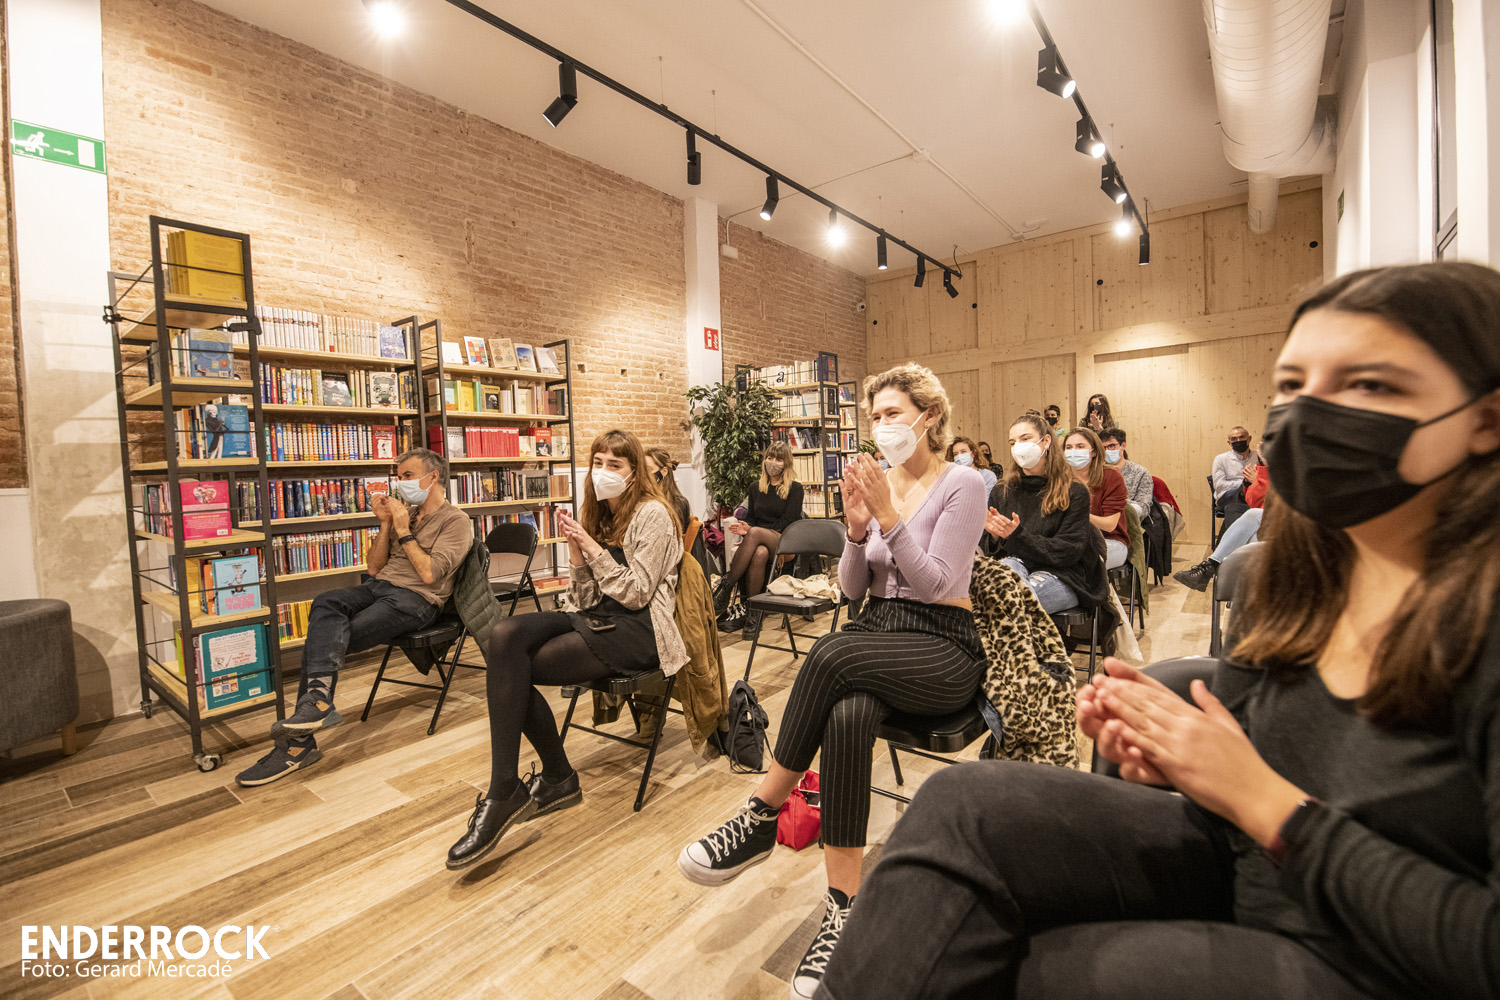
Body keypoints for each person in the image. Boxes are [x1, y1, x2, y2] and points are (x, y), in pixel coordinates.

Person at [815, 261, 1500, 1000]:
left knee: (1037, 970)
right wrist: (1179, 754)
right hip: (1253, 863)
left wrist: (1267, 805)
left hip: (1366, 950)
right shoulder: (1301, 580)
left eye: (1367, 385)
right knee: (958, 805)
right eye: (1293, 384)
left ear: (1486, 420)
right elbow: (1282, 751)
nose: (1311, 413)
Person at [678, 363, 988, 1000]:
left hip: (942, 645)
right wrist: (855, 531)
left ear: (929, 417)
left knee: (829, 650)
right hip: (876, 635)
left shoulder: (963, 482)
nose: (881, 426)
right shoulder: (879, 484)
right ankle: (843, 910)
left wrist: (888, 518)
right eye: (875, 416)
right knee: (846, 715)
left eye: (893, 413)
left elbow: (936, 584)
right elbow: (851, 590)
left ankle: (762, 811)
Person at [445, 429, 686, 869]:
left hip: (640, 630)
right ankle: (530, 783)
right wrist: (577, 558)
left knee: (513, 668)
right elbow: (585, 600)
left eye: (614, 465)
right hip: (598, 617)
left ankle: (526, 786)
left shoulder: (654, 515)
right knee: (504, 637)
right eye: (598, 463)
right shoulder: (598, 513)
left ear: (634, 473)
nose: (602, 472)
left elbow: (636, 594)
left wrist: (590, 548)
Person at [235, 448, 473, 786]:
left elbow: (430, 574)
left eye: (407, 476)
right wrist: (387, 524)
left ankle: (298, 742)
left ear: (432, 477)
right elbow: (374, 568)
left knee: (324, 640)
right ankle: (318, 704)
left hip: (416, 600)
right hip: (379, 586)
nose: (400, 483)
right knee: (326, 602)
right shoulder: (408, 515)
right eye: (398, 477)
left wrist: (404, 531)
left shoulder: (456, 521)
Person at [980, 412, 1097, 614]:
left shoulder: (1075, 492)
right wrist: (994, 536)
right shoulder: (1001, 490)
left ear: (1046, 441)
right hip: (1014, 567)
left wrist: (1017, 535)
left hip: (1063, 575)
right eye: (1013, 442)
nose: (1018, 447)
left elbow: (1067, 552)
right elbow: (990, 551)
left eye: (1025, 439)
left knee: (1003, 603)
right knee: (1005, 578)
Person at [714, 441, 803, 639]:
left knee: (754, 533)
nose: (773, 462)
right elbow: (752, 518)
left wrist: (753, 532)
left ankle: (727, 585)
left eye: (778, 459)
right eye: (770, 458)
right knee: (760, 553)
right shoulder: (756, 487)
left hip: (785, 542)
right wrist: (747, 528)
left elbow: (789, 521)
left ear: (786, 463)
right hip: (761, 543)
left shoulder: (795, 488)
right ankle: (754, 615)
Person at [1175, 463, 1271, 591]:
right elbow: (1254, 502)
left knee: (1251, 515)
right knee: (1252, 538)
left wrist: (1259, 481)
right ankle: (1236, 587)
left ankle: (1211, 567)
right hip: (1267, 523)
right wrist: (1251, 483)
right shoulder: (1262, 467)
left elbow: (1277, 503)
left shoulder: (1291, 467)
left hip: (1289, 523)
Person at [1064, 427, 1129, 569]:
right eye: (1068, 447)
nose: (1073, 451)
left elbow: (1110, 525)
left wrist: (1076, 515)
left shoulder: (1111, 476)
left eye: (1080, 446)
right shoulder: (1060, 479)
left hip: (1109, 540)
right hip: (1070, 540)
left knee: (1075, 560)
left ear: (1093, 452)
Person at [1212, 425, 1262, 532]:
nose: (1238, 441)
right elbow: (1219, 486)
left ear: (1249, 439)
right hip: (1227, 497)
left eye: (1241, 437)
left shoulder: (1259, 457)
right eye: (1234, 439)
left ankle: (1228, 539)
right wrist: (1245, 482)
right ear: (1229, 443)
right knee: (1242, 494)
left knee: (1233, 508)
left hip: (1250, 498)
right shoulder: (1221, 459)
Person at [1100, 427, 1152, 520]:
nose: (1107, 451)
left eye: (1111, 446)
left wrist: (1116, 502)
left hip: (1128, 522)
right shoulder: (1097, 472)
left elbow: (1143, 509)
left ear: (1123, 445)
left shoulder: (1141, 473)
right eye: (1103, 448)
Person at [644, 445, 691, 529]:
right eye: (642, 470)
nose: (644, 474)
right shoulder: (640, 499)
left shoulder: (679, 503)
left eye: (648, 469)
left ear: (664, 471)